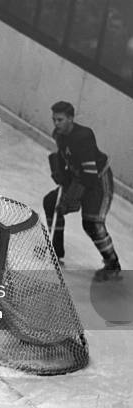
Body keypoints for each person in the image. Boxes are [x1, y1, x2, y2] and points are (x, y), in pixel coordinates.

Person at [43, 101, 121, 281]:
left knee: (92, 223)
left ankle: (112, 263)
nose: (56, 123)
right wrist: (59, 173)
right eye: (54, 119)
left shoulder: (83, 136)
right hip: (79, 176)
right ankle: (56, 249)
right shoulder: (59, 134)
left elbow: (90, 175)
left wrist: (72, 198)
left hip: (98, 181)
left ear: (71, 119)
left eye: (60, 120)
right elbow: (64, 156)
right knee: (51, 202)